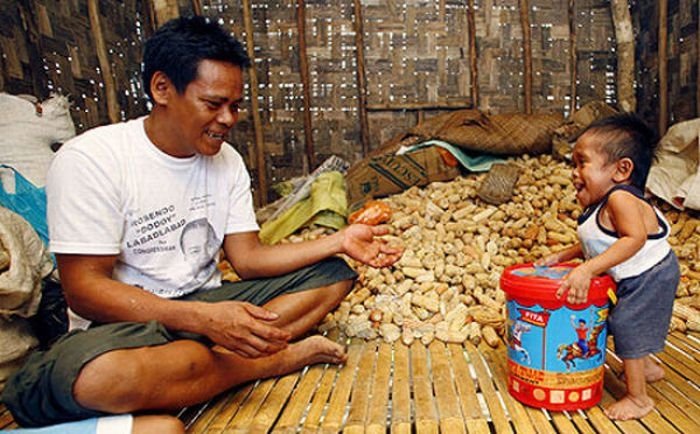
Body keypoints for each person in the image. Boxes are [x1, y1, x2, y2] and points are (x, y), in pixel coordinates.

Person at [1, 16, 402, 433]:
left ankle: (196, 369)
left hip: (206, 308)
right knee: (101, 378)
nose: (228, 119)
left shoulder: (225, 161)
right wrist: (202, 321)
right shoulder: (93, 160)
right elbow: (84, 290)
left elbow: (248, 259)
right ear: (162, 89)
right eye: (213, 104)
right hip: (124, 328)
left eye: (235, 105)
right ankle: (266, 360)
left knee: (332, 276)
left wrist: (339, 241)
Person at [536, 113, 679, 420]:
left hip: (650, 275)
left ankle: (639, 398)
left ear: (621, 170)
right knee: (611, 321)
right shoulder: (603, 205)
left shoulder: (621, 199)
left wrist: (587, 270)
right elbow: (599, 242)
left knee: (628, 323)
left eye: (582, 162)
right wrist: (563, 256)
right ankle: (647, 365)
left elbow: (634, 239)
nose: (574, 173)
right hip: (637, 276)